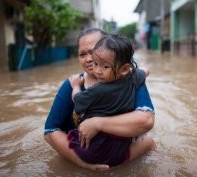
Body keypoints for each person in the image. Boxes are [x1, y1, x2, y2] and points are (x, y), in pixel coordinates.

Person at [44, 28, 156, 171]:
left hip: (119, 154)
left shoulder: (129, 80)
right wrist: (83, 164)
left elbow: (146, 120)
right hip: (84, 156)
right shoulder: (71, 85)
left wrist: (97, 123)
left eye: (94, 51)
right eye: (82, 54)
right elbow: (50, 131)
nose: (89, 58)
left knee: (149, 143)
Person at [68, 33, 149, 166]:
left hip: (95, 151)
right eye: (96, 63)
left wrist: (76, 85)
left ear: (123, 69)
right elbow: (146, 71)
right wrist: (137, 72)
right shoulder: (133, 78)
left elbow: (77, 101)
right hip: (121, 147)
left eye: (105, 66)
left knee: (70, 136)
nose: (98, 71)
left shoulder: (97, 90)